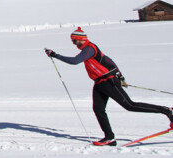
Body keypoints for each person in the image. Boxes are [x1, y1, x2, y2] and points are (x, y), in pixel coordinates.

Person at [45, 27, 173, 146]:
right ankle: (109, 137)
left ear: (81, 39)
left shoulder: (89, 48)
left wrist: (56, 55)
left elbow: (75, 61)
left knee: (130, 105)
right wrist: (121, 76)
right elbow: (109, 60)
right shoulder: (88, 49)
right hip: (99, 83)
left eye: (74, 40)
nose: (73, 43)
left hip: (109, 82)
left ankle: (167, 110)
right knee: (98, 109)